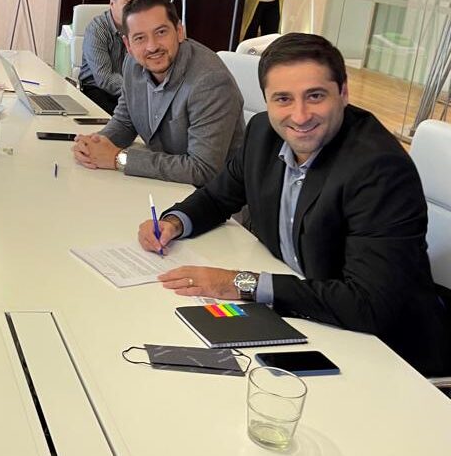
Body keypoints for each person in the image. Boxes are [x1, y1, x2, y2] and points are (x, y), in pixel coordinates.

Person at [139, 33, 451, 376]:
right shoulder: (263, 132)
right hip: (308, 315)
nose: (300, 116)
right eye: (283, 99)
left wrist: (242, 284)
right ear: (267, 100)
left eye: (315, 96)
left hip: (388, 353)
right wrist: (174, 222)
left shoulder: (379, 169)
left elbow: (369, 305)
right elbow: (218, 196)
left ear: (344, 93)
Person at [72, 0, 244, 186]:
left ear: (179, 31)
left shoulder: (210, 81)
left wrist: (118, 158)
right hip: (164, 182)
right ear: (128, 45)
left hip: (210, 194)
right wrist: (95, 144)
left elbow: (202, 169)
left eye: (161, 32)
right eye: (139, 38)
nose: (152, 46)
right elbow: (125, 122)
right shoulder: (133, 63)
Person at [77, 0, 144, 115]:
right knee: (125, 117)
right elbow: (105, 78)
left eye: (138, 4)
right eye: (127, 3)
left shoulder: (142, 28)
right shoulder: (97, 29)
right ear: (112, 4)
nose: (133, 9)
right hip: (97, 89)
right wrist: (138, 92)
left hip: (131, 91)